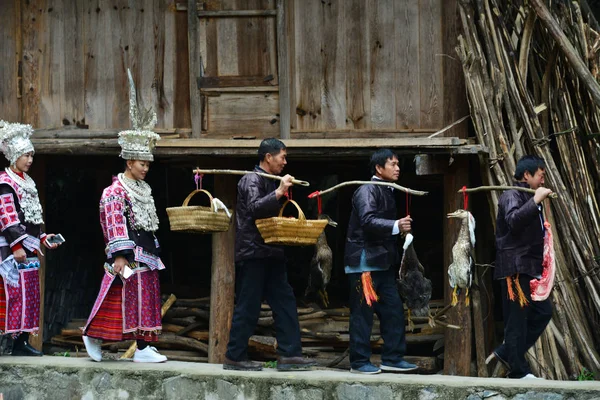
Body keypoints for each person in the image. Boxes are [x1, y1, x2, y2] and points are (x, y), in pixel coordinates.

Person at [82, 71, 167, 363]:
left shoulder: (144, 188)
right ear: (130, 161)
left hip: (147, 254)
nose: (146, 168)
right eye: (142, 164)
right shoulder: (115, 191)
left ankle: (142, 348)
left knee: (145, 301)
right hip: (128, 255)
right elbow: (115, 223)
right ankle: (92, 334)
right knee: (118, 301)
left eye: (148, 164)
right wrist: (120, 254)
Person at [223, 138, 316, 372]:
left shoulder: (270, 180)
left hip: (272, 252)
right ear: (268, 157)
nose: (285, 162)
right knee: (248, 306)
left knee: (285, 303)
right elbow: (254, 209)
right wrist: (280, 191)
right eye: (282, 157)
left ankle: (290, 355)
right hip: (253, 253)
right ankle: (234, 356)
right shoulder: (250, 180)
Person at [344, 149, 417, 374]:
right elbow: (367, 221)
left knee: (393, 310)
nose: (397, 168)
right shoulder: (367, 190)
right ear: (378, 168)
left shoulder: (387, 190)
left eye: (398, 164)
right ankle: (359, 362)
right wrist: (396, 225)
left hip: (382, 264)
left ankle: (393, 358)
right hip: (364, 264)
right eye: (392, 164)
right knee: (363, 314)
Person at [0, 120, 62, 356]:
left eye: (31, 155)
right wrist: (16, 245)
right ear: (14, 155)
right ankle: (12, 343)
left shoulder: (28, 182)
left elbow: (31, 219)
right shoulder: (5, 183)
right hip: (12, 250)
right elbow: (7, 217)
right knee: (13, 296)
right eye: (25, 155)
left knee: (29, 296)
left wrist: (44, 237)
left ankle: (21, 343)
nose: (30, 160)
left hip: (29, 249)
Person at [488, 155, 553, 379]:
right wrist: (535, 201)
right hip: (514, 269)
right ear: (527, 175)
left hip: (528, 268)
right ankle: (517, 370)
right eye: (540, 176)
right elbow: (514, 221)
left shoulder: (526, 195)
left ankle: (508, 352)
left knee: (544, 312)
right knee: (516, 320)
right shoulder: (511, 194)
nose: (543, 181)